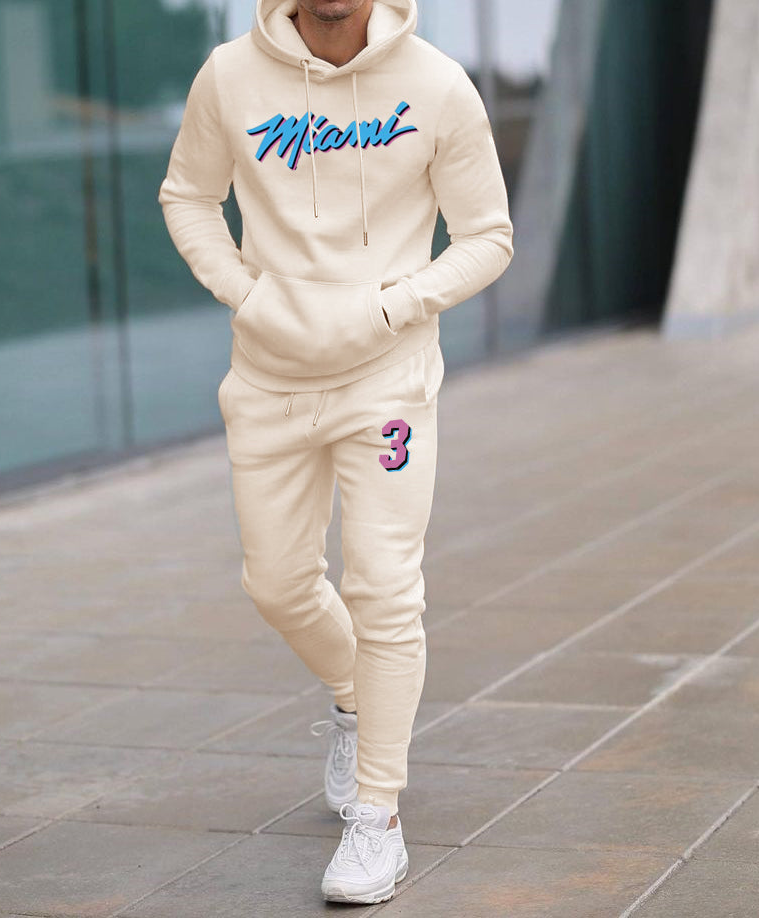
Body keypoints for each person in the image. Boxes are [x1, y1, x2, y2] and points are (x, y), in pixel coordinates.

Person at [158, 0, 513, 904]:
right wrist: (247, 295)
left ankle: (377, 817)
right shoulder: (228, 76)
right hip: (268, 377)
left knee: (385, 588)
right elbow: (188, 197)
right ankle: (358, 698)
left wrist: (395, 306)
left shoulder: (436, 85)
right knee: (276, 584)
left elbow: (488, 237)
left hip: (386, 382)